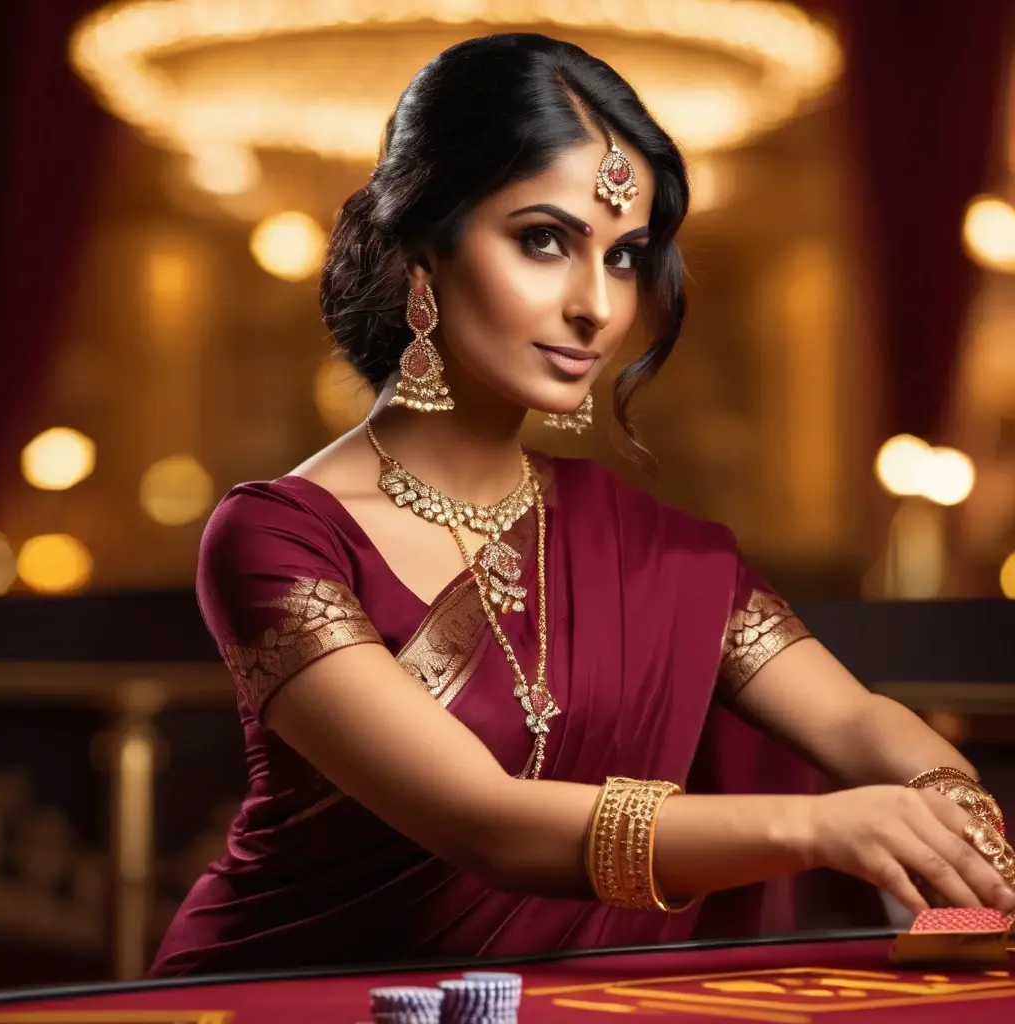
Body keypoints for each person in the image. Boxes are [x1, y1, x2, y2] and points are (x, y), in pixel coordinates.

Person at [150, 33, 1015, 977]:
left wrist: (941, 805)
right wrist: (818, 826)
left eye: (625, 256)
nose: (597, 308)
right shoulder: (278, 538)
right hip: (292, 997)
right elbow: (486, 824)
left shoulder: (655, 554)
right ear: (422, 254)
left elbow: (854, 725)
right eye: (545, 241)